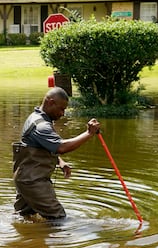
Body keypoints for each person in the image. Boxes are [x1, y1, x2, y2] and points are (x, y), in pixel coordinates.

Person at [12, 87, 101, 221]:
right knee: (58, 218)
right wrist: (89, 133)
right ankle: (57, 242)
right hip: (33, 181)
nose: (62, 113)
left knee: (24, 217)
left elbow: (40, 147)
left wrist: (60, 162)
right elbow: (61, 147)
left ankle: (26, 240)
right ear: (50, 102)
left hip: (24, 179)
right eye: (61, 109)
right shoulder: (41, 125)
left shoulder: (36, 118)